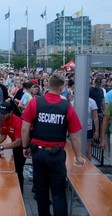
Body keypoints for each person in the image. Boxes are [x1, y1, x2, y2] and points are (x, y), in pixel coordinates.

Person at [21, 74, 85, 216]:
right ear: (62, 87)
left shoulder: (35, 103)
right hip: (56, 155)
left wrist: (25, 147)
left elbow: (25, 128)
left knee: (41, 191)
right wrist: (78, 156)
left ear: (48, 85)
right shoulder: (67, 107)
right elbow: (75, 136)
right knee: (58, 193)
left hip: (38, 153)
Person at [0, 102, 26, 193]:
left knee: (18, 170)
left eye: (4, 113)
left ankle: (20, 192)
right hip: (15, 144)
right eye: (1, 112)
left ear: (11, 112)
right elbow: (3, 136)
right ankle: (11, 186)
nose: (2, 115)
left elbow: (18, 142)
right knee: (12, 167)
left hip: (23, 147)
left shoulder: (17, 122)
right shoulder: (4, 120)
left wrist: (1, 147)